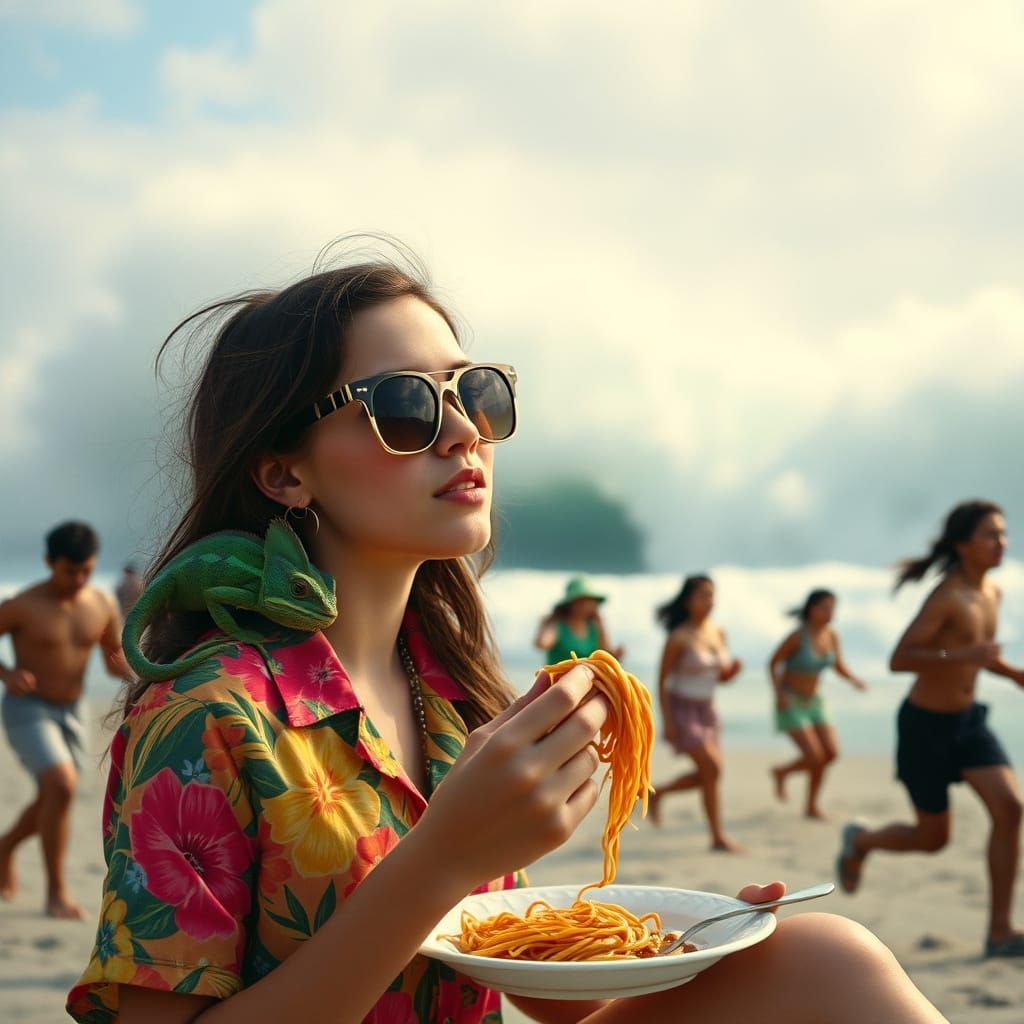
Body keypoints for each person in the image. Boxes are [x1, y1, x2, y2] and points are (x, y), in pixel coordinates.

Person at [68, 251, 944, 1023]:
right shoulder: (205, 716)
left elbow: (515, 980)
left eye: (475, 392)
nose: (463, 431)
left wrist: (684, 949)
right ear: (283, 471)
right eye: (404, 408)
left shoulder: (446, 687)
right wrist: (443, 857)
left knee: (823, 958)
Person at [837, 500, 1024, 959]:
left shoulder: (991, 593)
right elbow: (900, 659)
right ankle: (861, 840)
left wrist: (1013, 674)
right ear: (963, 545)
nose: (1001, 542)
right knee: (932, 840)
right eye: (990, 535)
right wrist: (965, 658)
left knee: (1011, 808)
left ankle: (1000, 931)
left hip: (968, 723)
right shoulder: (947, 596)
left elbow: (975, 651)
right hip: (925, 728)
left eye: (1002, 533)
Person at [0, 521, 130, 919]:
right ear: (48, 563)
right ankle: (56, 893)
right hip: (28, 707)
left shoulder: (102, 603)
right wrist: (7, 673)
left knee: (58, 794)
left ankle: (4, 849)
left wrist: (151, 678)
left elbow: (114, 661)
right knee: (62, 782)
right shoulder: (23, 604)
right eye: (69, 570)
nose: (78, 579)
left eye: (86, 570)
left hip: (72, 713)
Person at [648, 575, 743, 851]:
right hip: (682, 708)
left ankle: (659, 793)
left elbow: (720, 676)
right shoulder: (678, 637)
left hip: (708, 709)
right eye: (703, 595)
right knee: (712, 768)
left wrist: (732, 674)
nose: (709, 601)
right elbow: (662, 680)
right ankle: (718, 837)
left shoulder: (718, 632)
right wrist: (666, 720)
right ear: (688, 601)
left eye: (712, 595)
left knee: (709, 773)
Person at [767, 589, 867, 820]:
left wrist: (854, 680)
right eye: (825, 607)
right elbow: (773, 663)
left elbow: (838, 665)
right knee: (814, 756)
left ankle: (809, 803)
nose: (831, 612)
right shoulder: (797, 637)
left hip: (815, 700)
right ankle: (785, 776)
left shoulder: (832, 636)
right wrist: (778, 693)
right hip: (791, 699)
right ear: (811, 610)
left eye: (833, 607)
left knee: (830, 753)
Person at [534, 575, 623, 663]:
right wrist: (546, 623)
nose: (586, 605)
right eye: (581, 601)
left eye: (589, 601)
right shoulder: (558, 626)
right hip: (557, 676)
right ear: (571, 604)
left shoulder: (594, 628)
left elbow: (605, 655)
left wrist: (601, 624)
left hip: (586, 676)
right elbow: (542, 643)